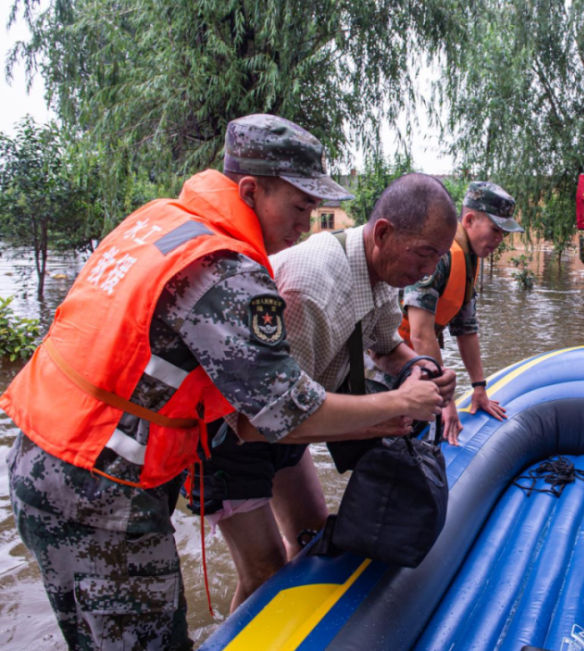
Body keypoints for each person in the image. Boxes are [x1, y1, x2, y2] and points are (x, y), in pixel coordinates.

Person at [1, 114, 445, 651]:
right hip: (102, 487)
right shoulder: (230, 271)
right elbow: (286, 414)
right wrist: (397, 404)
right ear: (252, 191)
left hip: (40, 460)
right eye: (300, 207)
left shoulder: (163, 221)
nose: (305, 225)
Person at [186, 173, 459, 612]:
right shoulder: (308, 289)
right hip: (231, 440)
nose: (427, 272)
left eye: (438, 259)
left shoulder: (381, 271)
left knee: (311, 534)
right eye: (424, 254)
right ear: (384, 233)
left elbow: (385, 345)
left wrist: (418, 367)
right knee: (265, 571)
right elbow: (258, 424)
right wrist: (382, 413)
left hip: (293, 416)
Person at [398, 181, 523, 443]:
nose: (500, 239)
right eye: (495, 229)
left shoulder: (468, 258)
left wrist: (479, 387)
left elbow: (466, 328)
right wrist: (447, 402)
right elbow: (420, 335)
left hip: (418, 365)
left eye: (505, 233)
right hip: (389, 362)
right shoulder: (441, 255)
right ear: (469, 219)